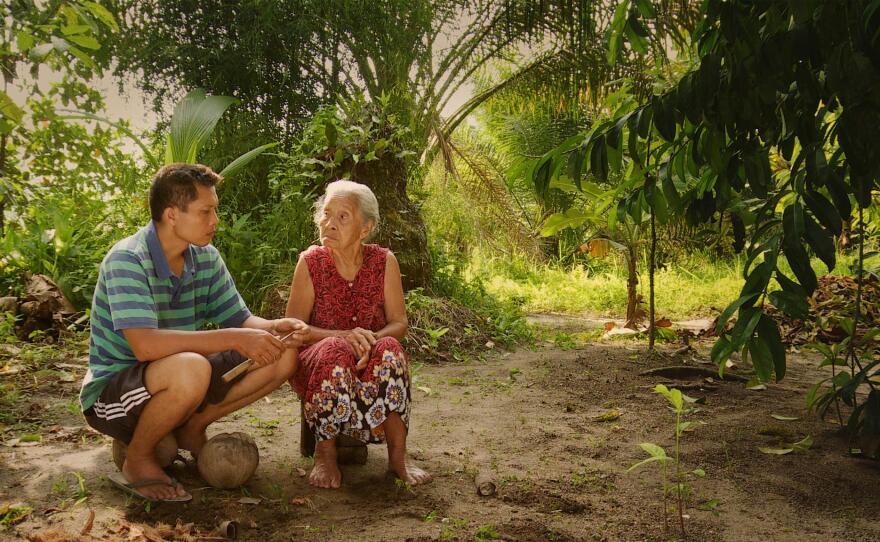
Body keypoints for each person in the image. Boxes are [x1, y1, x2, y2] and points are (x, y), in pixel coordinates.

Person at [79, 164, 306, 502]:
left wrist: (274, 328)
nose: (215, 220)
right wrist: (232, 338)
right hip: (114, 395)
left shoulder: (206, 257)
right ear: (172, 215)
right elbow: (145, 346)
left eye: (215, 209)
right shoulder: (128, 259)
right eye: (206, 211)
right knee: (193, 366)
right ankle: (139, 457)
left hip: (180, 376)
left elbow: (240, 320)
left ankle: (190, 427)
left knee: (284, 353)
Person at [286, 180, 432, 489]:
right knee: (334, 350)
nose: (330, 223)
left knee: (391, 348)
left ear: (365, 228)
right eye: (326, 214)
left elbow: (399, 323)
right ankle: (324, 455)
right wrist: (343, 336)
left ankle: (398, 457)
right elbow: (294, 329)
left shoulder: (383, 262)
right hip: (320, 361)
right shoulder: (311, 262)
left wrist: (370, 340)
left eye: (342, 217)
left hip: (369, 354)